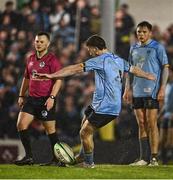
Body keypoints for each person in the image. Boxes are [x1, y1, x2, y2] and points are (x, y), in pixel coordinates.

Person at [36, 35, 155, 168]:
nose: (89, 52)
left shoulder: (100, 60)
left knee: (85, 132)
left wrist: (52, 75)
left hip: (106, 107)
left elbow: (75, 69)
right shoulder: (118, 60)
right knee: (84, 123)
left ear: (95, 48)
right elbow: (134, 69)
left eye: (90, 49)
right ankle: (82, 156)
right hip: (99, 104)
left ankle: (89, 163)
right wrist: (147, 75)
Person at [123, 21, 169, 166]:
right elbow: (129, 70)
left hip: (152, 90)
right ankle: (144, 158)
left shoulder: (157, 47)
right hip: (136, 91)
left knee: (151, 123)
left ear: (150, 33)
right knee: (141, 123)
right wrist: (127, 88)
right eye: (139, 32)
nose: (141, 34)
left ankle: (154, 158)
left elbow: (165, 68)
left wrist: (162, 87)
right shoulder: (133, 48)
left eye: (144, 32)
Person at [14, 31, 63, 166]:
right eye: (37, 41)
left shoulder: (52, 60)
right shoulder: (30, 59)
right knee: (21, 124)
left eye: (41, 42)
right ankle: (29, 157)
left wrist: (52, 97)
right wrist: (21, 95)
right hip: (31, 99)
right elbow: (26, 78)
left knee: (50, 130)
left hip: (45, 99)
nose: (38, 44)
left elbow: (58, 80)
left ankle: (57, 158)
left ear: (48, 43)